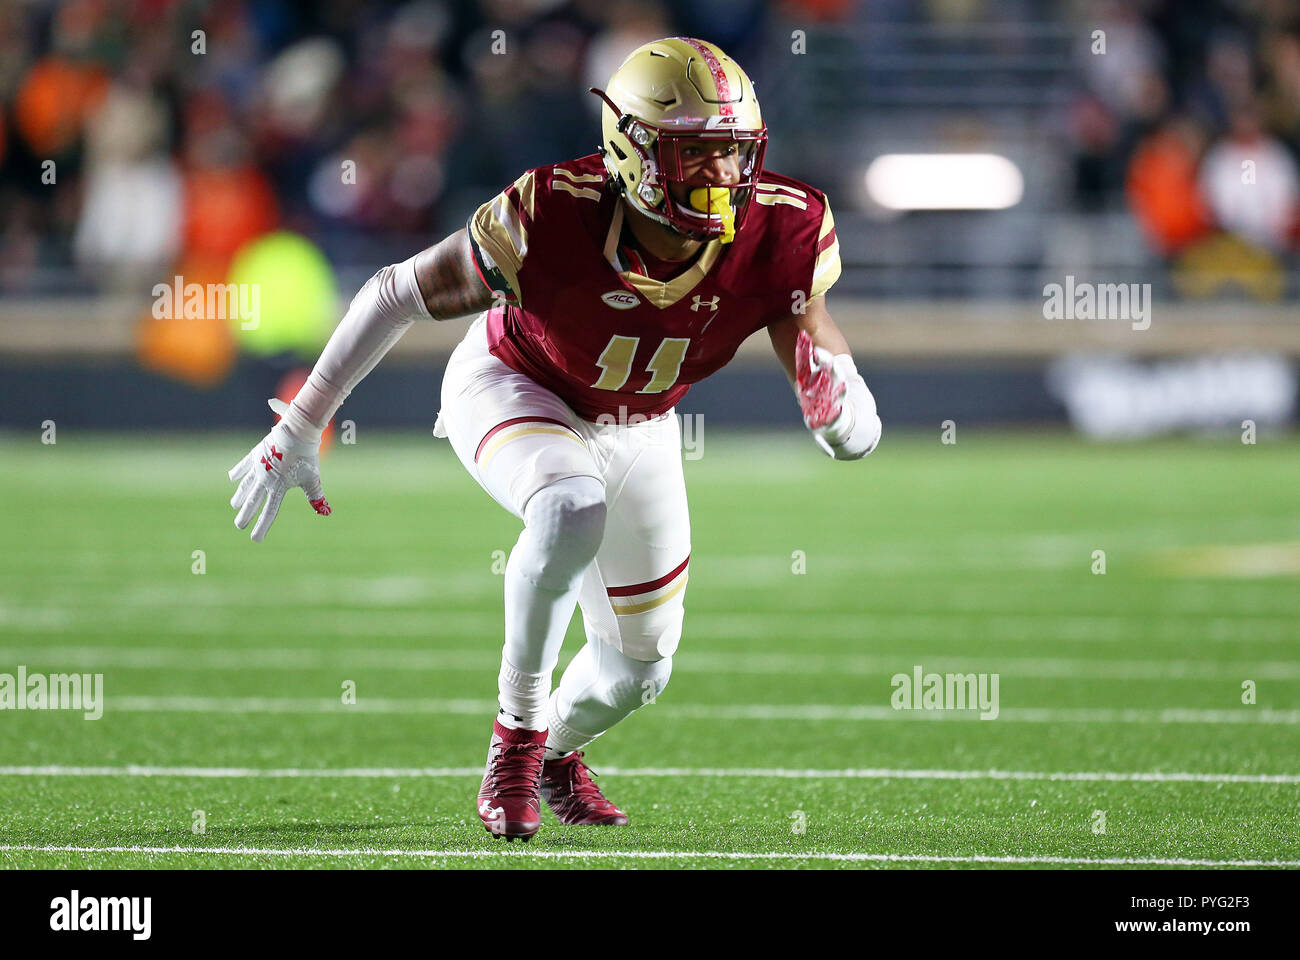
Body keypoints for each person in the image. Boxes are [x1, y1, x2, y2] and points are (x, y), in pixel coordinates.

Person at [226, 37, 882, 842]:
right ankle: (517, 736)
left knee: (637, 674)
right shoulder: (551, 211)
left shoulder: (782, 224)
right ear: (633, 149)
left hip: (639, 419)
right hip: (514, 382)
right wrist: (301, 422)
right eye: (696, 155)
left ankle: (558, 754)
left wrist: (841, 404)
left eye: (731, 155)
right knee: (571, 507)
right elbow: (395, 290)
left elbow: (805, 327)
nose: (721, 178)